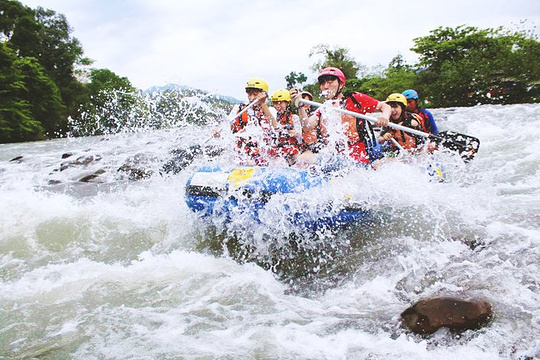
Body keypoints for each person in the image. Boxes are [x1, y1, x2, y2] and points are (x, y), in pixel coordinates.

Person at [291, 67, 391, 166]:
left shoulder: (355, 99)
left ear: (341, 84)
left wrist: (384, 117)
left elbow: (385, 106)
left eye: (330, 82)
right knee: (303, 159)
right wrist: (300, 106)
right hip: (333, 156)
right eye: (323, 83)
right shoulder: (324, 108)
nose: (325, 86)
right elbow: (307, 126)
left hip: (356, 159)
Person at [229, 78, 276, 165]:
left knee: (251, 161)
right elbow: (227, 127)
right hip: (242, 150)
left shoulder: (270, 110)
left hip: (262, 151)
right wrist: (217, 131)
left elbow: (275, 127)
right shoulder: (238, 109)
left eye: (255, 94)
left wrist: (263, 104)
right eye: (249, 93)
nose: (252, 97)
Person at [269, 89, 302, 165]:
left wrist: (292, 132)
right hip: (277, 151)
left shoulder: (294, 118)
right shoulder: (273, 116)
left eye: (280, 103)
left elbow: (299, 137)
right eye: (275, 103)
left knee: (297, 158)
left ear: (288, 103)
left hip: (291, 151)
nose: (277, 106)